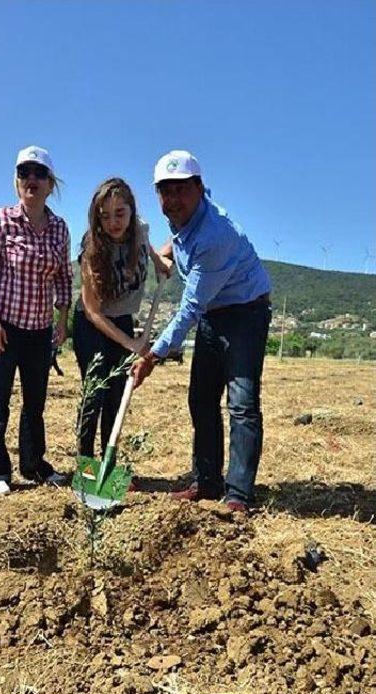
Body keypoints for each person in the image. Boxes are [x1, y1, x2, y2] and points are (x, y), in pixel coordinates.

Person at [132, 151, 272, 513]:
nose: (172, 199)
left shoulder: (215, 236)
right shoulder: (184, 220)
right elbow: (181, 244)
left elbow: (190, 308)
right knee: (201, 398)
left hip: (245, 312)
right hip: (214, 310)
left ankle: (238, 493)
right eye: (165, 191)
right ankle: (207, 481)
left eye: (181, 190)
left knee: (241, 403)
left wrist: (153, 355)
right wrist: (166, 251)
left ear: (199, 188)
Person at [0, 145, 72, 496]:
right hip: (4, 325)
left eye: (39, 174)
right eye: (24, 173)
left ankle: (33, 464)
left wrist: (62, 319)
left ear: (50, 184)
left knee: (35, 400)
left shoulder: (60, 229)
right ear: (17, 182)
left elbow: (63, 277)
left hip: (39, 329)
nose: (31, 179)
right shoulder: (0, 220)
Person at [73, 178, 170, 457]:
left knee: (117, 395)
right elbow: (92, 311)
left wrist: (157, 261)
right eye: (105, 216)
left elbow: (146, 244)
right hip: (93, 326)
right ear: (96, 218)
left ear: (131, 211)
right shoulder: (91, 247)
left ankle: (109, 459)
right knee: (95, 393)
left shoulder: (140, 229)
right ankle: (85, 460)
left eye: (120, 213)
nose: (113, 222)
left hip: (123, 320)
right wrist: (131, 344)